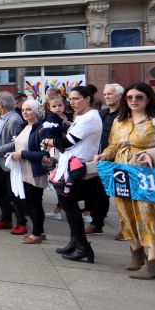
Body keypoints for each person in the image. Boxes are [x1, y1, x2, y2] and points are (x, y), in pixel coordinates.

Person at [100, 82, 155, 278]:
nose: (133, 101)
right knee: (127, 213)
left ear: (148, 99)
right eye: (130, 97)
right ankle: (136, 254)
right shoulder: (120, 121)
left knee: (151, 216)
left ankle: (153, 263)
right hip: (122, 174)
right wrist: (104, 155)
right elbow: (113, 145)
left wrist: (152, 154)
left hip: (148, 177)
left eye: (139, 97)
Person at [48, 85, 104, 263]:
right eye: (70, 99)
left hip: (75, 166)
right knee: (68, 205)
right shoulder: (82, 117)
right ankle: (75, 242)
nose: (72, 102)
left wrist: (49, 140)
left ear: (88, 99)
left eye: (76, 98)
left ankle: (83, 247)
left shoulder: (90, 118)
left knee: (70, 207)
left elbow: (66, 142)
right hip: (69, 164)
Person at [0, 92, 27, 234]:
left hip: (9, 163)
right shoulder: (2, 117)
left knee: (13, 194)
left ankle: (21, 223)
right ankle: (6, 219)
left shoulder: (14, 119)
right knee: (1, 192)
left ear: (1, 104)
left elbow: (16, 142)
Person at [10, 99, 49, 244]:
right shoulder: (23, 126)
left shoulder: (42, 129)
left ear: (36, 111)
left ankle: (37, 234)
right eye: (23, 110)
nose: (25, 112)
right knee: (28, 203)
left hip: (34, 171)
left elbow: (45, 154)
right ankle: (40, 231)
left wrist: (23, 154)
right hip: (23, 170)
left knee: (35, 203)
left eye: (29, 109)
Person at [88, 83, 124, 235]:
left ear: (120, 96)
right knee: (100, 192)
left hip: (121, 159)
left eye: (110, 93)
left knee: (122, 195)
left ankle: (127, 228)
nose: (106, 96)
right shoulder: (101, 114)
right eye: (105, 93)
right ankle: (97, 223)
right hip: (102, 158)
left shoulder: (125, 115)